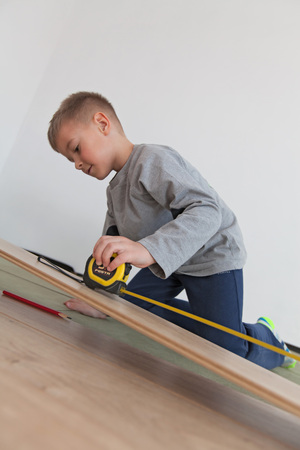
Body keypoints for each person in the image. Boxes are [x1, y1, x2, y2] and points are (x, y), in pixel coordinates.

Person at [47, 91, 295, 370]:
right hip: (170, 263)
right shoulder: (115, 191)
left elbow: (207, 210)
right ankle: (213, 327)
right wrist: (103, 299)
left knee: (226, 351)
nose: (77, 164)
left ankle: (268, 339)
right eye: (71, 160)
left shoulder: (152, 160)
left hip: (210, 257)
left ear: (102, 124)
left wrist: (147, 249)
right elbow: (116, 249)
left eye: (77, 148)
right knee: (130, 307)